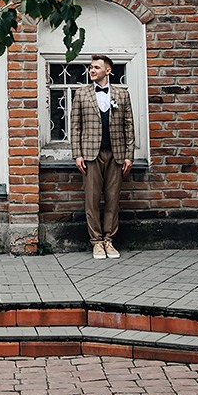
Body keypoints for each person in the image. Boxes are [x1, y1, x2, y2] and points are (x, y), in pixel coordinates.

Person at [71, 54, 135, 260]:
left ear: (108, 70)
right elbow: (75, 126)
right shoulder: (81, 94)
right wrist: (77, 154)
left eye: (96, 67)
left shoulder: (122, 94)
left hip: (116, 153)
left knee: (113, 199)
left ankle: (109, 240)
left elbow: (129, 126)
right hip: (90, 154)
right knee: (91, 199)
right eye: (90, 67)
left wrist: (129, 155)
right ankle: (96, 242)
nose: (92, 70)